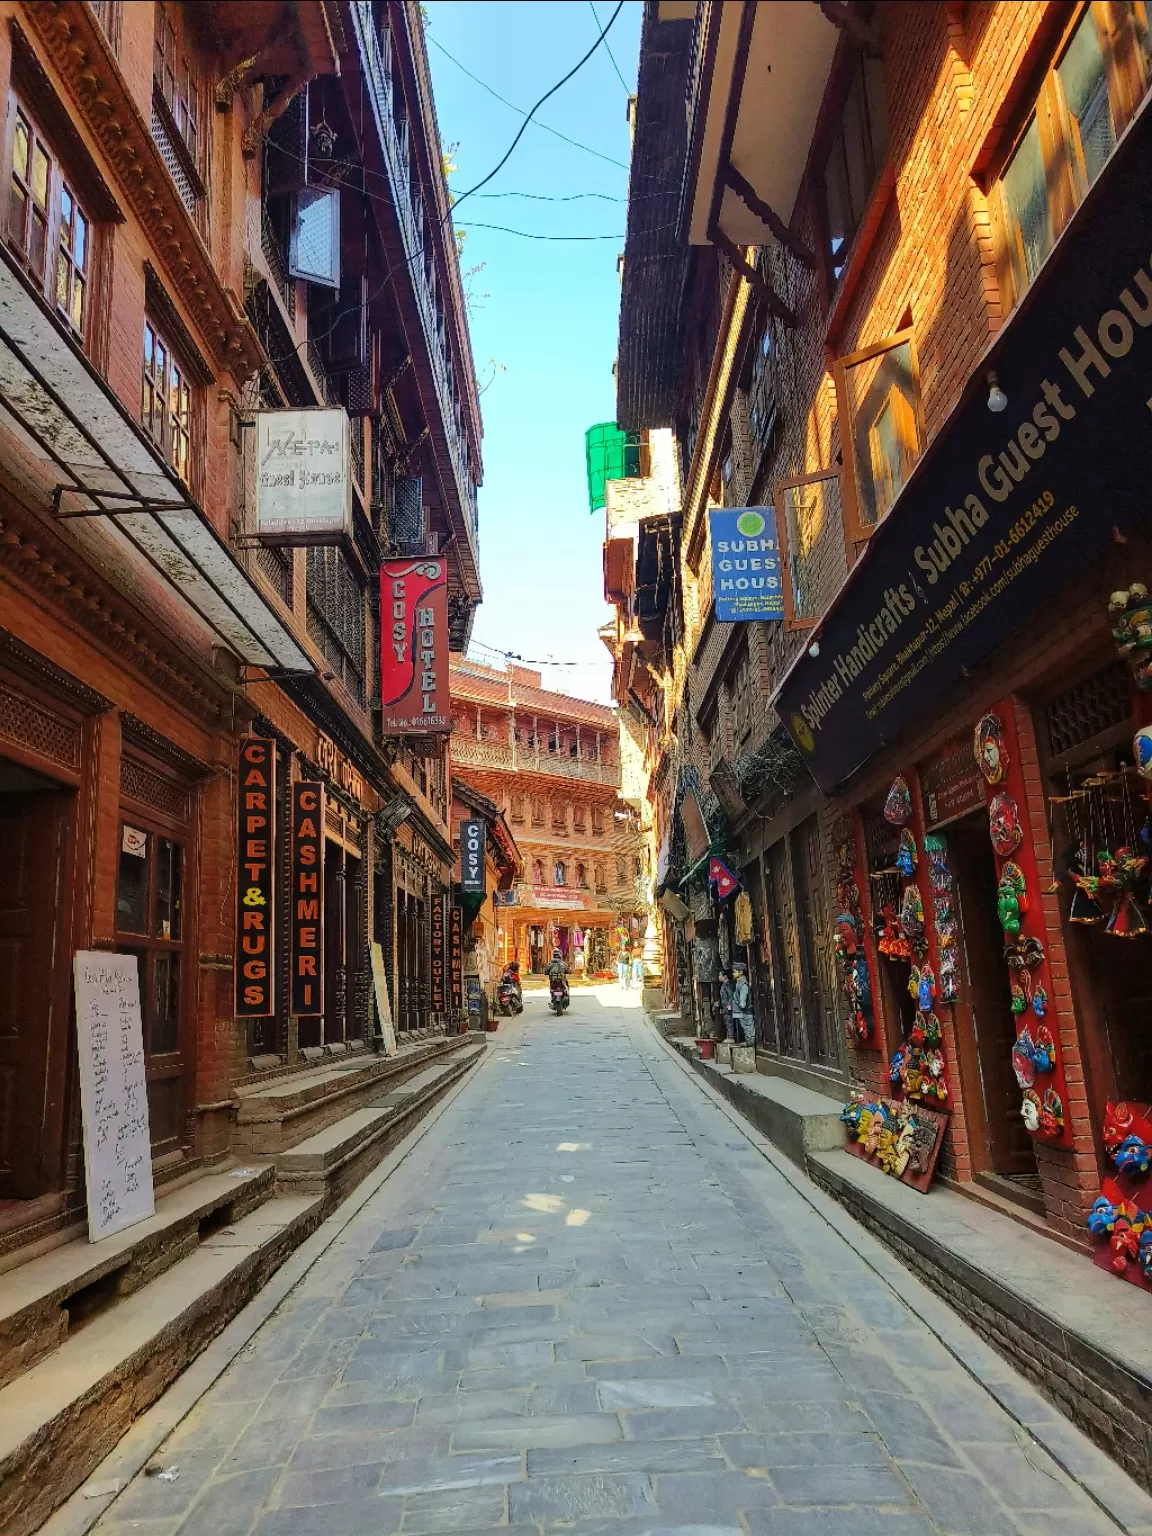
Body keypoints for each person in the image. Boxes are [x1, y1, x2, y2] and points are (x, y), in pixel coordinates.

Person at [732, 963, 754, 1046]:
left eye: (735, 972)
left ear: (740, 972)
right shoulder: (739, 983)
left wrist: (742, 1004)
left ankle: (750, 1041)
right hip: (740, 1010)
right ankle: (748, 1040)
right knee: (744, 1026)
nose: (733, 974)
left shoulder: (743, 984)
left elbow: (743, 995)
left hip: (743, 1010)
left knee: (748, 1025)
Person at [717, 969, 734, 1041]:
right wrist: (719, 1003)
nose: (719, 977)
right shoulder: (723, 985)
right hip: (724, 1006)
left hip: (727, 1007)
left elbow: (731, 995)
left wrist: (730, 1004)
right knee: (726, 1021)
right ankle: (729, 1036)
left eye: (720, 975)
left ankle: (731, 1037)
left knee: (729, 1022)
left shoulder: (728, 985)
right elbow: (724, 997)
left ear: (725, 976)